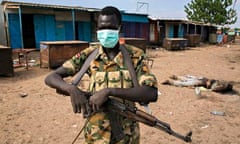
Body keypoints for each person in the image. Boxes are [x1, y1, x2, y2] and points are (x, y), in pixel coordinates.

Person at [45, 6, 158, 144]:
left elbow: (151, 93)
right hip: (95, 134)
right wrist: (71, 89)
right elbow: (51, 77)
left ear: (119, 28)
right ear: (97, 29)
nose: (106, 32)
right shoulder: (88, 55)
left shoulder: (135, 55)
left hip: (127, 135)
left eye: (110, 27)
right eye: (102, 28)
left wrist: (109, 91)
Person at [162, 75, 233, 95]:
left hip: (204, 80)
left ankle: (174, 78)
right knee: (187, 82)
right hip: (203, 82)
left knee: (188, 80)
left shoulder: (220, 83)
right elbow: (212, 88)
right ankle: (172, 81)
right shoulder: (221, 86)